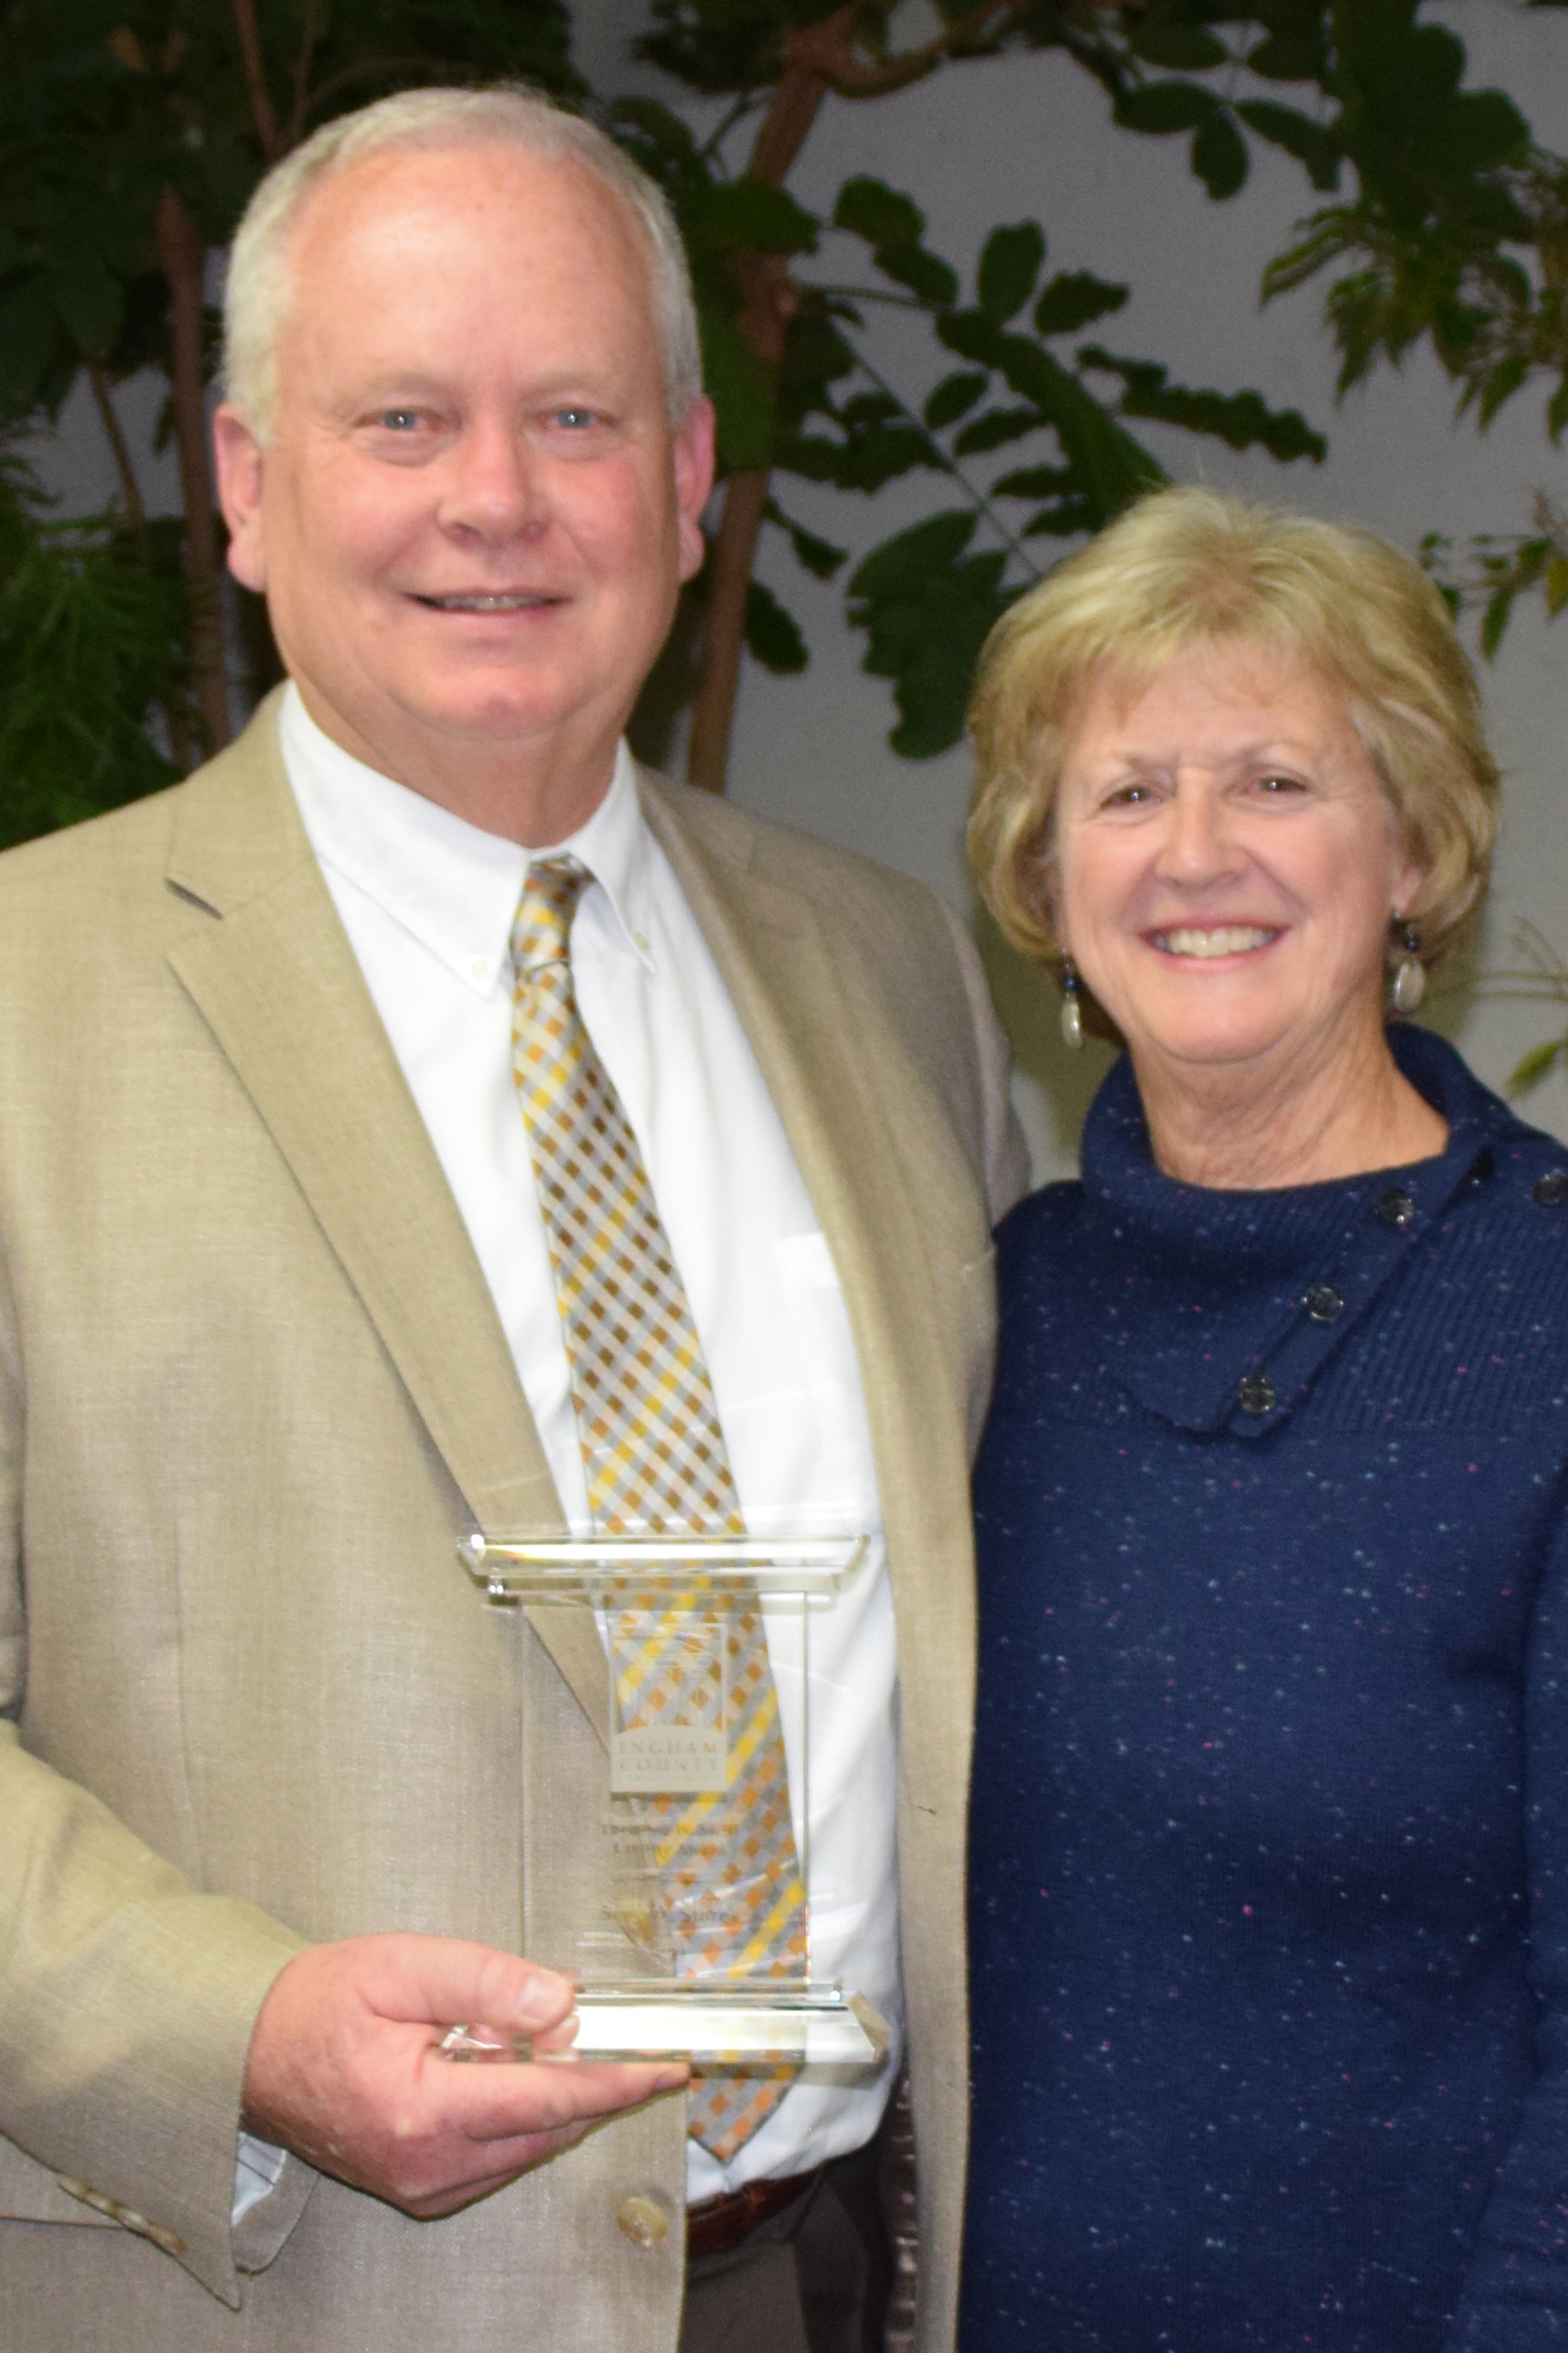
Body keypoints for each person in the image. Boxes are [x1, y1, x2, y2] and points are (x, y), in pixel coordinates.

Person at [0, 86, 1026, 2353]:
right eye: (401, 417)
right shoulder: (20, 1003)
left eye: (570, 412)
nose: (495, 497)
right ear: (251, 488)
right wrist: (233, 2025)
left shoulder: (891, 977)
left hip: (843, 2279)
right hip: (273, 2291)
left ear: (679, 478)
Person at [959, 484, 1568, 2348]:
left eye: (1276, 783)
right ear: (1042, 877)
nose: (1193, 852)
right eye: (1126, 792)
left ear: (1409, 848)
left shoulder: (1540, 1314)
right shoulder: (987, 1304)